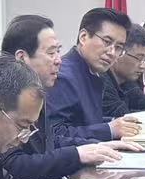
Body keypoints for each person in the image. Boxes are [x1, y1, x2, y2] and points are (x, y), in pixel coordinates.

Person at [0, 13, 136, 179]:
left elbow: (49, 141)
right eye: (51, 52)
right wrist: (78, 155)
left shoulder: (37, 88)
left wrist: (94, 146)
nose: (59, 60)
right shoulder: (4, 98)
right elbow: (13, 166)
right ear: (22, 58)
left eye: (58, 51)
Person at [50, 7, 133, 136]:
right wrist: (109, 129)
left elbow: (85, 122)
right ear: (83, 37)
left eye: (118, 47)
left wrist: (115, 122)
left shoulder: (92, 71)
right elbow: (55, 134)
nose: (112, 52)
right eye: (107, 42)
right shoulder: (63, 77)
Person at [102, 23, 145, 118]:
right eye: (139, 58)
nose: (143, 66)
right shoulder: (101, 83)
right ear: (119, 53)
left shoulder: (127, 79)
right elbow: (124, 117)